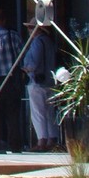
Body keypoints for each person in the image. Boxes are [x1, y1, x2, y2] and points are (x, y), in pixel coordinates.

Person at [22, 20, 59, 152]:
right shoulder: (49, 42)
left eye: (31, 28)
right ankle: (52, 139)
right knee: (49, 112)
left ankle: (41, 140)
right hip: (50, 81)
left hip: (37, 81)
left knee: (38, 112)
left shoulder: (37, 42)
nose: (29, 31)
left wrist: (27, 68)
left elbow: (34, 62)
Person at [0, 10, 25, 151]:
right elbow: (22, 56)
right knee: (13, 113)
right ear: (4, 20)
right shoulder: (14, 36)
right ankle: (15, 144)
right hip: (11, 79)